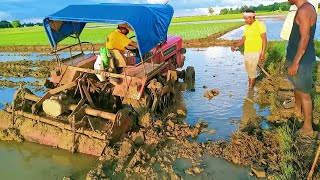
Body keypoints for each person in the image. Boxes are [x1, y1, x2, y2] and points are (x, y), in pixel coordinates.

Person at [286, 0, 317, 137]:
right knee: (297, 87)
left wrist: (295, 62)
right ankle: (297, 111)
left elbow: (305, 38)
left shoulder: (304, 10)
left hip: (301, 61)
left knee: (304, 94)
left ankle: (308, 127)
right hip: (296, 57)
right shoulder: (304, 8)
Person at [231, 10, 267, 89]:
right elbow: (243, 40)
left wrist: (263, 53)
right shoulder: (247, 27)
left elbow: (264, 40)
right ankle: (251, 85)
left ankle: (250, 90)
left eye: (246, 18)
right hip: (247, 51)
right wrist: (235, 45)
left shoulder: (260, 25)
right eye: (244, 18)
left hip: (255, 51)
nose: (245, 20)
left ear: (252, 17)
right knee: (249, 69)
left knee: (252, 70)